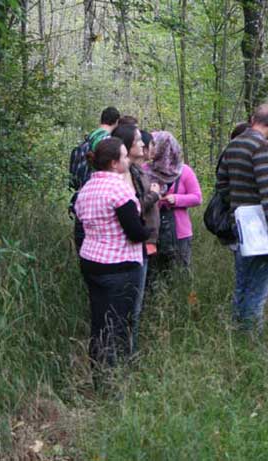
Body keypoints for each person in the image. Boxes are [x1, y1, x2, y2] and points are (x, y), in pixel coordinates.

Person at [74, 137, 151, 383]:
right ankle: (114, 380)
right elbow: (134, 232)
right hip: (119, 266)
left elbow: (83, 226)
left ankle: (98, 374)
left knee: (99, 320)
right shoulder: (119, 189)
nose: (128, 160)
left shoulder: (86, 189)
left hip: (91, 261)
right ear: (116, 163)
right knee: (118, 324)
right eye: (124, 156)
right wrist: (148, 231)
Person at [216, 103, 268, 334]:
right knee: (258, 289)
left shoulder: (234, 144)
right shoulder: (260, 147)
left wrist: (237, 205)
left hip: (239, 223)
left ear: (253, 118)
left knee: (242, 283)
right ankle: (251, 338)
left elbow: (221, 184)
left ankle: (238, 332)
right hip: (259, 228)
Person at [111, 124, 161, 352]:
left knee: (135, 306)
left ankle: (130, 352)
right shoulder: (120, 177)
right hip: (128, 247)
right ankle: (122, 353)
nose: (143, 144)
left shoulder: (137, 171)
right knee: (126, 306)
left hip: (141, 244)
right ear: (127, 145)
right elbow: (134, 209)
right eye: (138, 140)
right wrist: (154, 195)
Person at [146, 131, 202, 269]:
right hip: (153, 233)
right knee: (154, 276)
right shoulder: (144, 170)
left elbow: (197, 197)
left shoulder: (184, 171)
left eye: (155, 144)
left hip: (180, 233)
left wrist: (176, 199)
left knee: (180, 273)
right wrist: (155, 198)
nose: (151, 147)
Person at [71, 107, 120, 254]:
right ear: (116, 121)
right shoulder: (106, 141)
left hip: (82, 197)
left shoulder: (88, 138)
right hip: (97, 197)